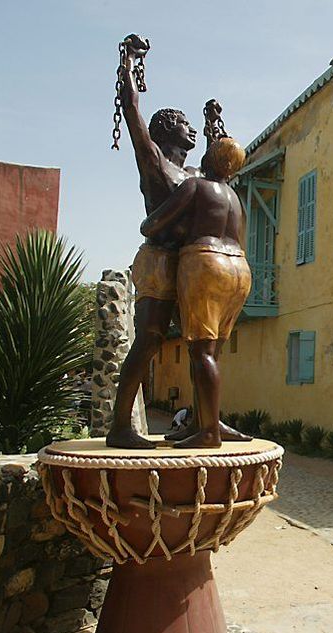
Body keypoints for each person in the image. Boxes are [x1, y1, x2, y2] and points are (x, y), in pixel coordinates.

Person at [107, 34, 201, 449]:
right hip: (159, 259)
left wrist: (217, 125)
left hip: (190, 263)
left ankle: (204, 423)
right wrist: (127, 64)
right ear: (166, 129)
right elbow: (131, 112)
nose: (191, 128)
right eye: (185, 123)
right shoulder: (155, 162)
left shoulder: (196, 174)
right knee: (149, 340)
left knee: (203, 342)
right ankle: (120, 427)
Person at [140, 133, 252, 447]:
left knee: (201, 352)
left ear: (208, 160)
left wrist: (157, 230)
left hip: (206, 263)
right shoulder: (233, 197)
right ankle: (207, 422)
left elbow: (152, 225)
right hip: (240, 270)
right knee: (212, 352)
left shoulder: (195, 185)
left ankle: (209, 432)